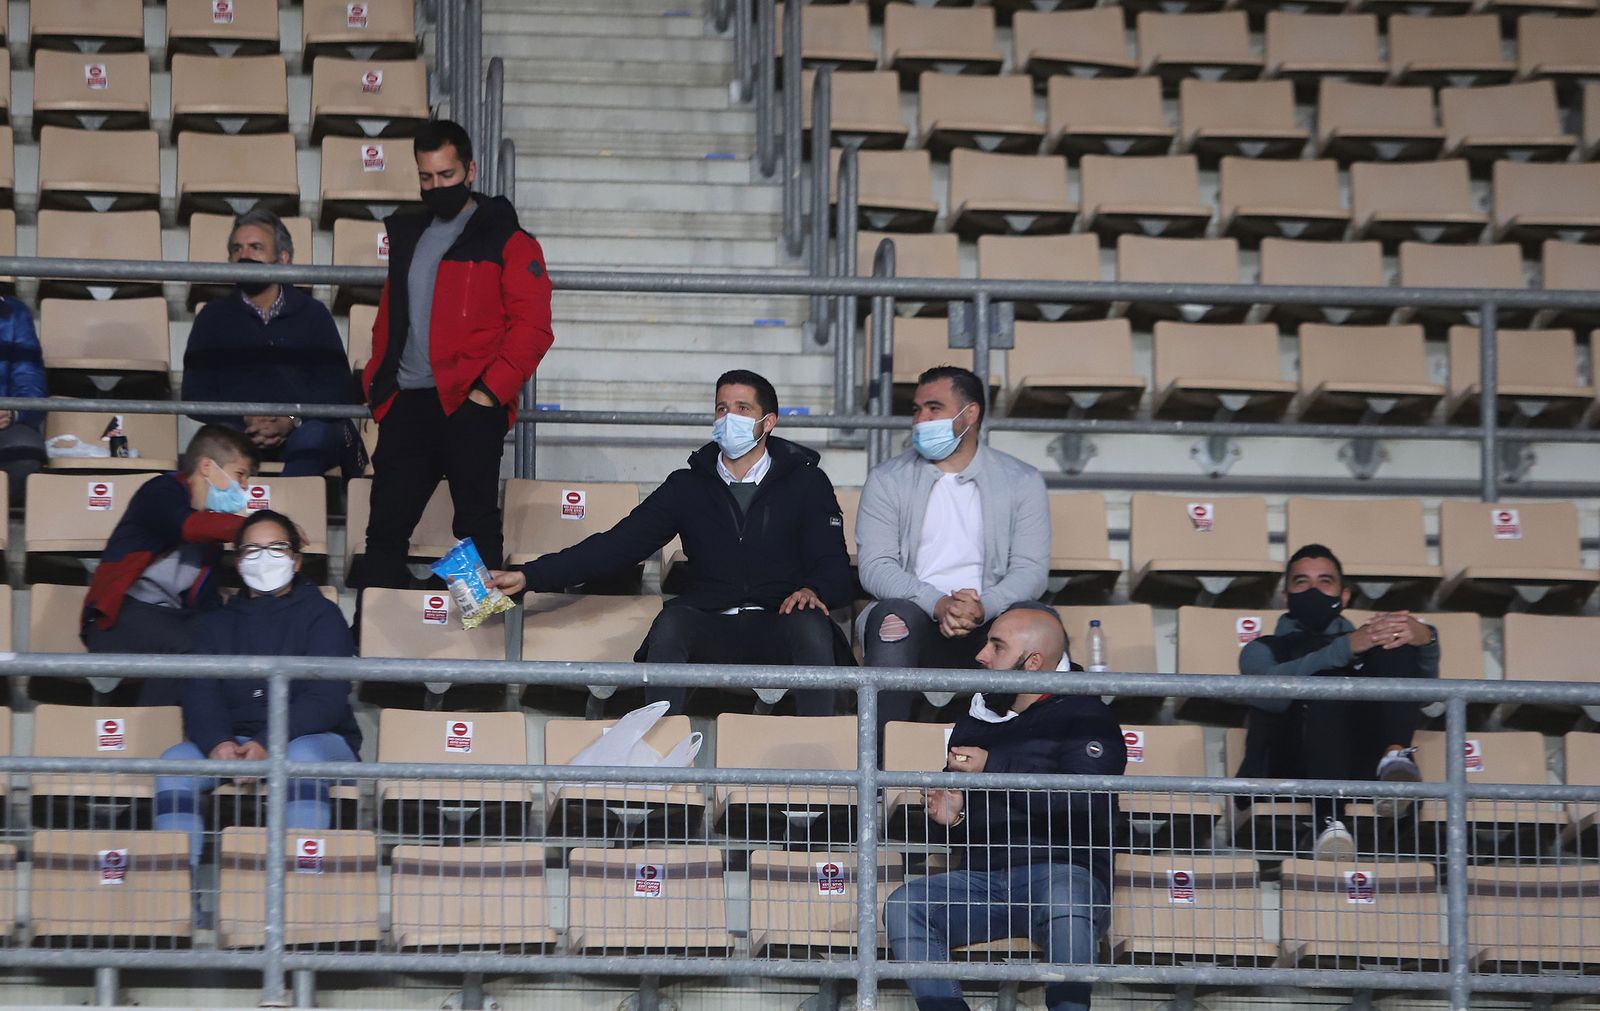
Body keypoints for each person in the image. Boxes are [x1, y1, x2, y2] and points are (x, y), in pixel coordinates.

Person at [491, 370, 851, 716]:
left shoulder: (807, 484)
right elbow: (616, 546)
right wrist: (529, 576)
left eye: (742, 408)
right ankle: (661, 742)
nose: (729, 418)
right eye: (722, 408)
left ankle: (821, 741)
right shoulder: (686, 486)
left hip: (780, 623)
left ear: (768, 422)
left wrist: (813, 590)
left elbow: (834, 567)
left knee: (810, 623)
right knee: (673, 620)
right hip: (709, 624)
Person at [884, 605, 1125, 1011]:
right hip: (982, 880)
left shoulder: (1088, 715)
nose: (981, 655)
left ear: (1033, 663)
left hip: (1062, 875)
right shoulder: (976, 716)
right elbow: (961, 814)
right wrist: (953, 817)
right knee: (906, 904)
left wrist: (993, 766)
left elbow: (1081, 800)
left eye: (997, 646)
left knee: (1067, 897)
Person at [359, 118, 554, 588]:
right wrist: (380, 388)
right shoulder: (410, 234)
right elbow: (391, 319)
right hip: (407, 402)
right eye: (426, 177)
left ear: (471, 170)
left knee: (476, 529)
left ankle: (479, 630)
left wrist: (487, 395)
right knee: (384, 529)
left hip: (471, 402)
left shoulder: (508, 239)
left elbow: (533, 328)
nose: (436, 186)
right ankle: (378, 627)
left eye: (446, 175)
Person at [153, 510, 361, 873]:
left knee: (301, 759)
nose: (265, 558)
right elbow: (201, 692)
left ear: (296, 561)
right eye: (252, 549)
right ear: (238, 561)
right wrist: (218, 743)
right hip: (235, 740)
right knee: (174, 764)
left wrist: (267, 743)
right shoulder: (216, 624)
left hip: (314, 741)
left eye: (277, 548)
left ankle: (299, 888)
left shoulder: (323, 616)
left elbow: (325, 699)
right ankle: (178, 891)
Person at [856, 365, 1051, 724]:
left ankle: (1031, 750)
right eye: (916, 410)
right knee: (891, 620)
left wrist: (983, 607)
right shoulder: (887, 479)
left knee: (1041, 623)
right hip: (917, 613)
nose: (920, 419)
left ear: (970, 414)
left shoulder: (1021, 481)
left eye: (934, 408)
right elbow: (875, 567)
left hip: (991, 617)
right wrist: (939, 603)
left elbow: (1031, 570)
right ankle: (882, 753)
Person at [1234, 543, 1440, 860]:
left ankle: (1394, 761)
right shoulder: (1262, 648)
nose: (1313, 590)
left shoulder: (1371, 645)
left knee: (1395, 648)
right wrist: (1345, 648)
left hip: (1362, 760)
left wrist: (1426, 638)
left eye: (1325, 581)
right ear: (1286, 596)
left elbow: (1430, 700)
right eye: (1301, 582)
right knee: (1327, 683)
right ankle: (1329, 821)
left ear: (1344, 596)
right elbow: (1268, 695)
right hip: (1290, 764)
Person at [181, 208, 363, 478]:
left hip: (303, 428)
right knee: (214, 445)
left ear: (283, 258)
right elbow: (194, 393)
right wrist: (244, 417)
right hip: (238, 431)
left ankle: (292, 505)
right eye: (237, 249)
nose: (244, 256)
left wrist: (291, 419)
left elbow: (338, 390)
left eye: (255, 247)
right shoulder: (212, 317)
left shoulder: (313, 314)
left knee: (313, 437)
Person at [81, 425, 260, 661]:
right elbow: (187, 526)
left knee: (231, 640)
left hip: (173, 619)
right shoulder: (160, 490)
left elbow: (206, 601)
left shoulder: (211, 534)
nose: (245, 485)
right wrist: (259, 526)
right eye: (240, 474)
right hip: (122, 615)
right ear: (207, 466)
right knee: (196, 650)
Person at [0, 294, 46, 502]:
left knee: (25, 454)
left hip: (3, 422)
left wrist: (13, 412)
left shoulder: (15, 313)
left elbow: (30, 380)